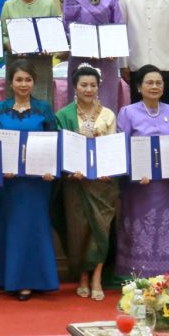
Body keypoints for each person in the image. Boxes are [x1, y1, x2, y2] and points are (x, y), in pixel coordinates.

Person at [0, 59, 59, 301]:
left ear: (34, 82)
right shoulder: (0, 110)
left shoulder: (44, 109)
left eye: (28, 79)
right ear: (11, 82)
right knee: (11, 226)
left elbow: (54, 142)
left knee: (33, 228)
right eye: (19, 79)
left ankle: (34, 281)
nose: (23, 84)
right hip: (9, 182)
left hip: (38, 182)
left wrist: (51, 169)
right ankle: (10, 279)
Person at [55, 64, 117, 301]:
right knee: (79, 231)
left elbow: (111, 149)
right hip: (76, 182)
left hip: (103, 184)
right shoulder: (64, 115)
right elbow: (61, 148)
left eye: (92, 85)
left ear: (98, 86)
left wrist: (106, 169)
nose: (88, 89)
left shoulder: (109, 115)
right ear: (75, 87)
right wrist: (72, 169)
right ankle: (82, 275)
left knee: (101, 230)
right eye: (84, 85)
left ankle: (97, 276)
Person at [115, 64, 169, 277]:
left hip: (165, 186)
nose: (154, 86)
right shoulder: (128, 112)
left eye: (158, 83)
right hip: (139, 185)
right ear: (139, 87)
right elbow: (121, 148)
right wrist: (134, 173)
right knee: (139, 230)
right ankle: (136, 276)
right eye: (149, 82)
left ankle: (164, 278)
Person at [63, 0, 123, 110]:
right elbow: (67, 26)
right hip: (80, 57)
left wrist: (112, 50)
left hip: (106, 60)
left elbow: (118, 26)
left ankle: (106, 132)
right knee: (80, 98)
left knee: (106, 100)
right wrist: (83, 46)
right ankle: (77, 133)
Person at [0, 0, 60, 104]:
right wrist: (11, 46)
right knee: (15, 103)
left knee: (41, 103)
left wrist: (51, 47)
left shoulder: (49, 4)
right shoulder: (9, 5)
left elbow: (56, 35)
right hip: (16, 63)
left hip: (41, 65)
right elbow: (2, 36)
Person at [118, 0, 169, 103]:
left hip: (165, 64)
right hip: (136, 65)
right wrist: (123, 64)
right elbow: (121, 32)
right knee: (138, 107)